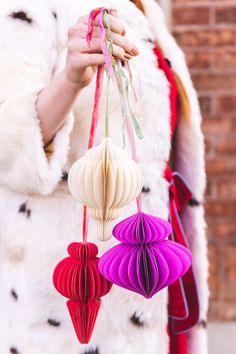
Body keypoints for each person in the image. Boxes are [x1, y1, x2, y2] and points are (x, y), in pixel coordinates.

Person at [0, 0, 208, 353]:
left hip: (152, 267)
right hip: (72, 291)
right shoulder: (29, 7)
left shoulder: (143, 9)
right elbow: (9, 146)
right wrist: (69, 80)